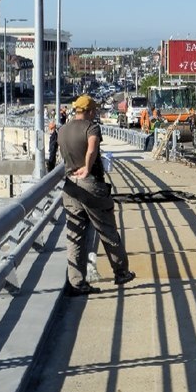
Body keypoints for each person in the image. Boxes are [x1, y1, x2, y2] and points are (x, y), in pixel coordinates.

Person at [58, 94, 134, 296]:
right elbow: (92, 149)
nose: (95, 114)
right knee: (107, 230)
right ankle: (121, 272)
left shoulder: (62, 130)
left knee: (75, 236)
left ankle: (77, 282)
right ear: (90, 111)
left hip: (70, 186)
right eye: (94, 111)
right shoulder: (91, 127)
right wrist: (87, 167)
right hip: (91, 184)